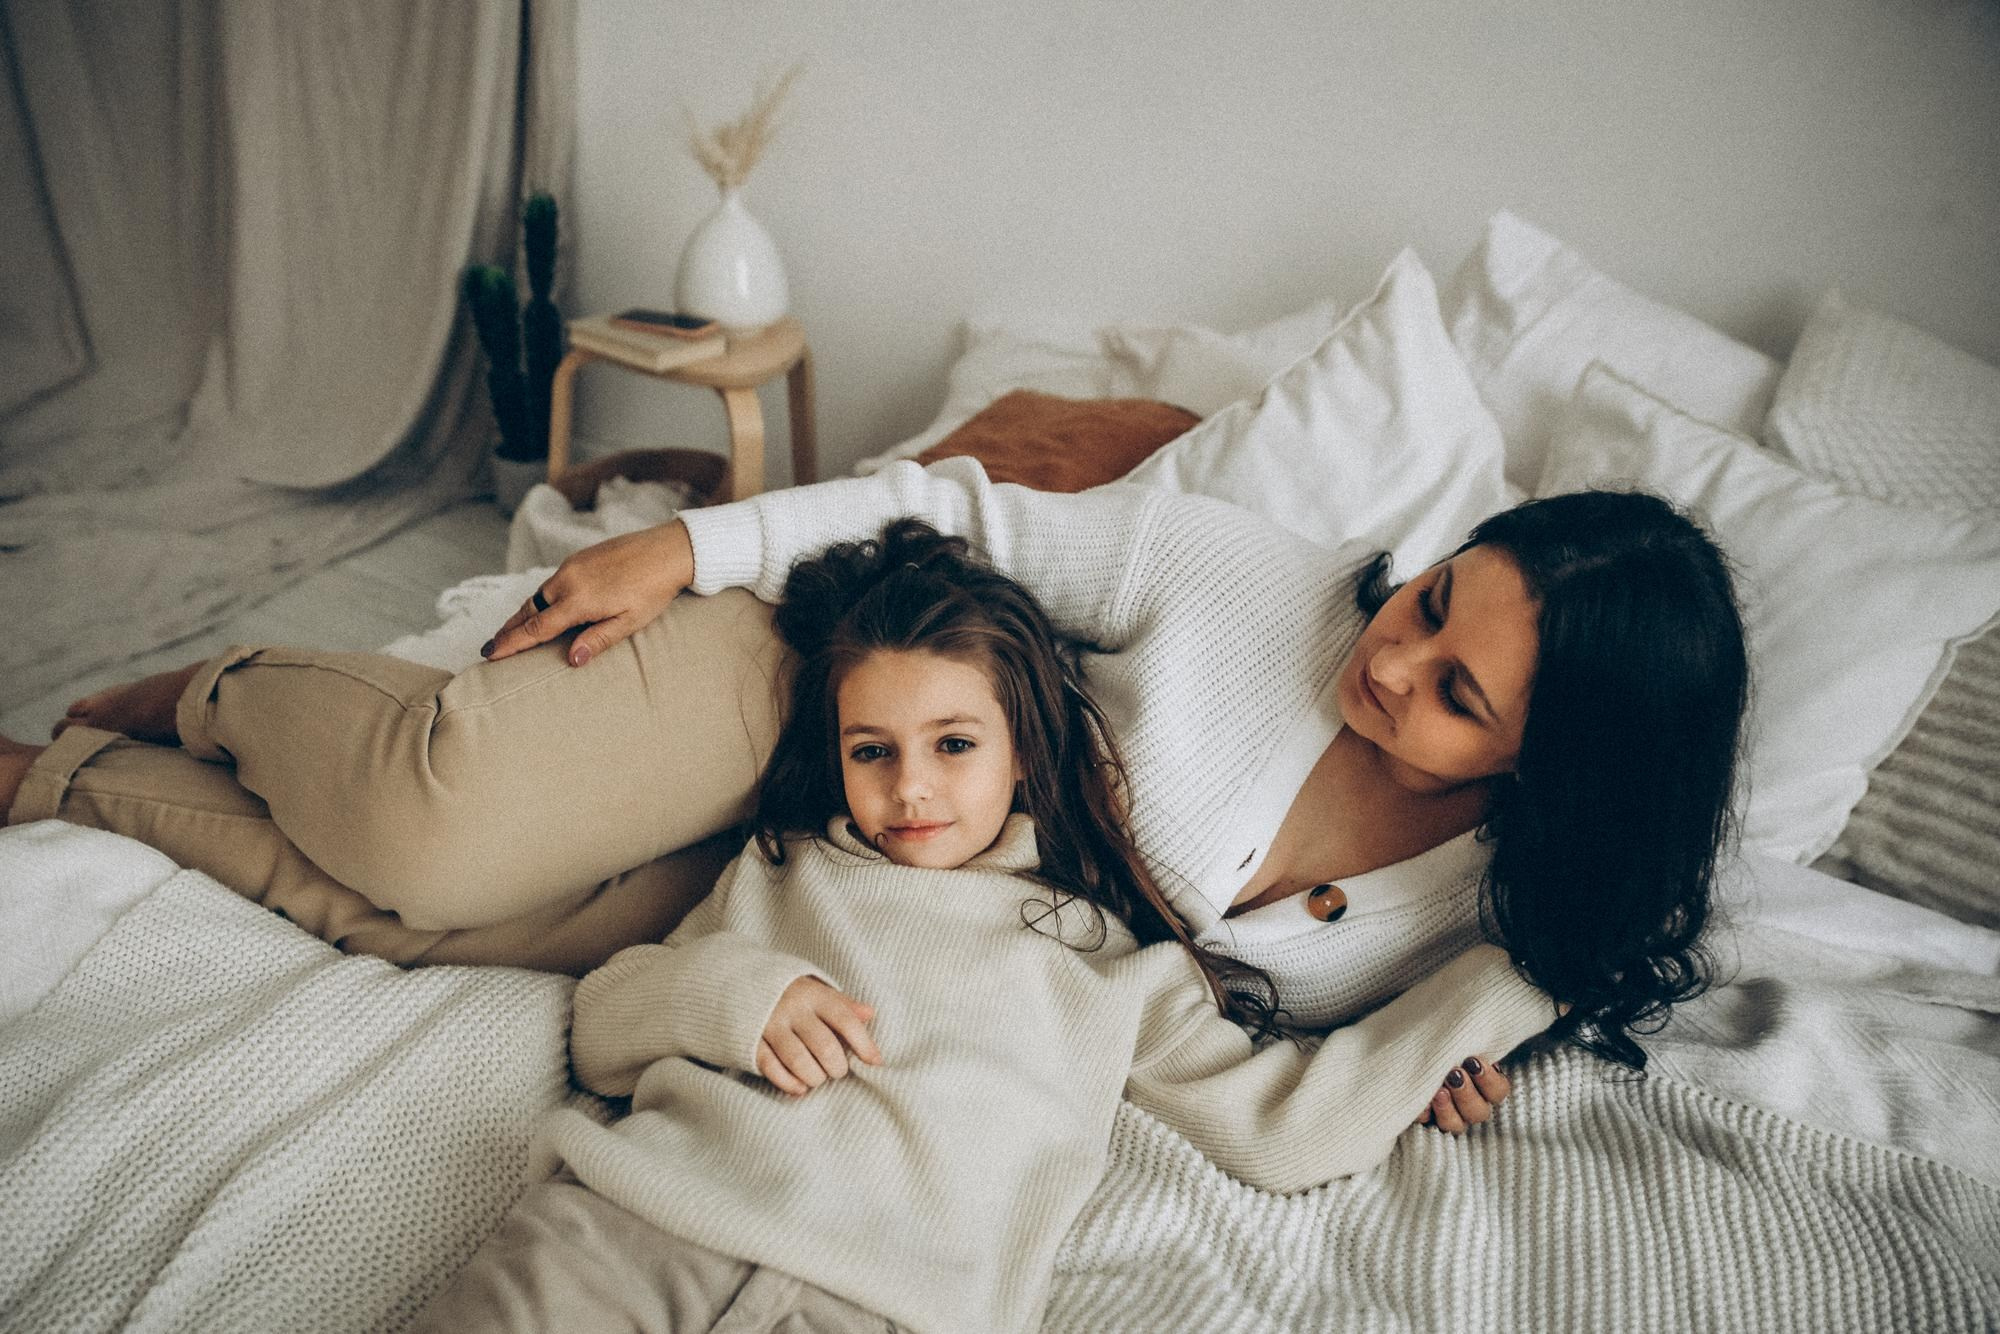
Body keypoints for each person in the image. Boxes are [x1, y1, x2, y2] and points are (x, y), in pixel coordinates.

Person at [9, 453, 1748, 1085]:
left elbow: (1433, 1024)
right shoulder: (1250, 581)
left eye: (1459, 692)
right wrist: (693, 547)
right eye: (1436, 598)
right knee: (443, 830)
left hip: (888, 871)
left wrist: (1465, 1068)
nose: (1391, 657)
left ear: (1555, 768)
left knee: (449, 934)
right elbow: (972, 511)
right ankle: (228, 677)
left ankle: (56, 777)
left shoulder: (1497, 906)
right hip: (829, 678)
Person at [409, 520, 1554, 1333]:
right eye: (872, 750)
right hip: (631, 1227)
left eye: (954, 744)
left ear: (1022, 746)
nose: (911, 788)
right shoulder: (789, 869)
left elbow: (1283, 1127)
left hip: (892, 1305)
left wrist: (1516, 985)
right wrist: (731, 995)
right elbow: (605, 1016)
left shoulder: (1111, 963)